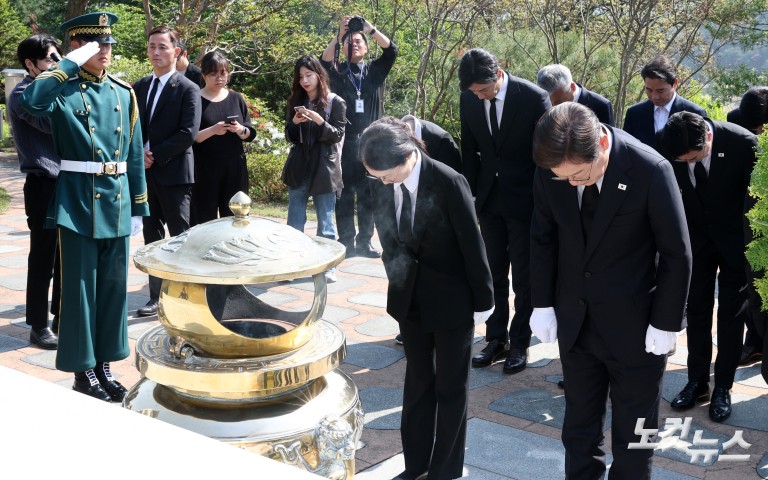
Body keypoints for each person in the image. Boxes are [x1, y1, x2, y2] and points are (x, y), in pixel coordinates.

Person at [530, 102, 691, 479]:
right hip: (576, 323)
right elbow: (542, 237)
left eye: (579, 176)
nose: (572, 184)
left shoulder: (650, 169)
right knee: (578, 432)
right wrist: (541, 303)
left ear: (601, 144)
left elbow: (676, 252)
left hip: (636, 328)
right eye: (564, 178)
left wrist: (666, 322)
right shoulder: (553, 166)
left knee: (635, 437)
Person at [20, 12, 150, 402]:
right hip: (77, 199)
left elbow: (132, 152)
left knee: (112, 290)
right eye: (96, 45)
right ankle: (83, 371)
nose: (105, 50)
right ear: (77, 47)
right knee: (79, 292)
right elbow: (31, 100)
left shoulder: (123, 92)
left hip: (117, 198)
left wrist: (138, 205)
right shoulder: (62, 87)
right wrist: (67, 65)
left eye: (108, 43)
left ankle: (105, 366)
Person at [360, 118, 493, 480]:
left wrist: (484, 301)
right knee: (418, 383)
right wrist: (398, 281)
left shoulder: (449, 181)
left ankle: (444, 470)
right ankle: (415, 464)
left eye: (386, 175)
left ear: (408, 155)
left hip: (452, 299)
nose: (383, 182)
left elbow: (472, 244)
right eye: (376, 177)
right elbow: (388, 241)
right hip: (410, 298)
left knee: (451, 387)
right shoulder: (382, 182)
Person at [659, 111, 758, 422]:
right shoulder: (670, 146)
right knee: (697, 311)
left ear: (709, 137)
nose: (689, 163)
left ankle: (723, 387)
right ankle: (697, 382)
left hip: (735, 244)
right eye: (683, 160)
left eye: (694, 157)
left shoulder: (743, 144)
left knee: (731, 315)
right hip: (696, 243)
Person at [458, 48, 551, 374]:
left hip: (526, 201)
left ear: (498, 75)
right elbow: (469, 150)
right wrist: (470, 197)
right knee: (492, 273)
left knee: (524, 278)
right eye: (474, 92)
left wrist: (544, 204)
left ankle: (520, 342)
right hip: (489, 200)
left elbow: (545, 157)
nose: (480, 97)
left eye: (484, 90)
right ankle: (495, 338)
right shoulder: (469, 98)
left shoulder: (534, 98)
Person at [133, 26, 201, 317]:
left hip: (174, 173)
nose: (156, 52)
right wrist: (139, 154)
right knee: (151, 236)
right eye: (152, 46)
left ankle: (186, 296)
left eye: (163, 46)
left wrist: (155, 155)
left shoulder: (188, 88)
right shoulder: (139, 87)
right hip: (145, 173)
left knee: (180, 236)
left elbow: (188, 132)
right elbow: (131, 127)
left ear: (177, 51)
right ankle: (156, 296)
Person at [320, 15, 398, 259]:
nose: (353, 45)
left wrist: (369, 29)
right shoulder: (338, 71)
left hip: (372, 143)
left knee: (369, 195)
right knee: (344, 195)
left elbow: (391, 51)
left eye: (358, 42)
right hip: (344, 142)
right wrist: (339, 35)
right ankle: (346, 242)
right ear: (343, 48)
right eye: (349, 42)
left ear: (366, 48)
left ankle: (365, 242)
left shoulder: (375, 70)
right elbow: (323, 61)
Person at [8, 34, 63, 350]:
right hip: (44, 184)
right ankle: (38, 325)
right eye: (50, 58)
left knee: (66, 256)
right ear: (30, 64)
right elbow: (53, 123)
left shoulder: (57, 89)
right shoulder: (23, 94)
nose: (57, 63)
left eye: (59, 56)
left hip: (69, 182)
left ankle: (61, 317)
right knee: (44, 257)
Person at [283, 55, 346, 283]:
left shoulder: (335, 101)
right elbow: (289, 136)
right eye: (301, 77)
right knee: (294, 222)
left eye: (309, 75)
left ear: (319, 75)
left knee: (326, 222)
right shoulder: (295, 101)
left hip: (325, 168)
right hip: (299, 166)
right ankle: (293, 265)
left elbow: (337, 134)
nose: (305, 81)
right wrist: (294, 123)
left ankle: (327, 268)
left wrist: (320, 120)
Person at [191, 51, 255, 226]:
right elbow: (190, 137)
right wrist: (213, 130)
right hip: (204, 168)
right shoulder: (195, 99)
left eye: (223, 73)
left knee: (236, 216)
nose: (219, 78)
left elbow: (250, 133)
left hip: (234, 167)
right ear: (204, 75)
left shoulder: (236, 98)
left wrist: (240, 129)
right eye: (213, 74)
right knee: (204, 219)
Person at [728, 87, 768, 366]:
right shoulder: (735, 120)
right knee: (753, 284)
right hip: (745, 213)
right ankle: (755, 339)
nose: (759, 132)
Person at [623, 54, 707, 149]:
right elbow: (626, 149)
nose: (654, 97)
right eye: (649, 90)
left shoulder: (695, 113)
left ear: (675, 84)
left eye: (660, 91)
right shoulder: (634, 114)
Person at [536, 63, 615, 126]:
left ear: (572, 87)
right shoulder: (539, 103)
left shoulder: (601, 106)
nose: (553, 107)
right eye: (550, 102)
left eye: (559, 102)